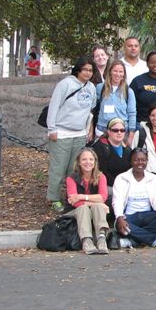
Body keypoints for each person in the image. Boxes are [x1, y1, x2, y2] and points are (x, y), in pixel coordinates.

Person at [46, 57, 97, 212]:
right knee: (58, 168)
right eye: (85, 70)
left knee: (74, 169)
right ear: (78, 70)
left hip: (79, 133)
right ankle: (53, 198)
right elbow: (54, 106)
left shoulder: (91, 87)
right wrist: (52, 129)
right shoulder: (66, 84)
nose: (88, 73)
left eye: (90, 70)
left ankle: (71, 196)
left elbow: (89, 110)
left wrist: (89, 129)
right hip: (62, 132)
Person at [112, 148, 156, 248]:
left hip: (148, 215)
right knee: (119, 225)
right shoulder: (121, 178)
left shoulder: (153, 178)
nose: (140, 163)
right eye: (136, 160)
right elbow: (117, 201)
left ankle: (133, 241)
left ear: (147, 161)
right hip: (129, 217)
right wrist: (119, 217)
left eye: (143, 160)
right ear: (131, 161)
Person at [64, 147, 111, 254]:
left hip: (94, 212)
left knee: (97, 206)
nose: (88, 162)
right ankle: (87, 241)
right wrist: (98, 203)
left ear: (95, 162)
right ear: (79, 162)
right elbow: (74, 202)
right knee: (84, 208)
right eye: (84, 159)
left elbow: (102, 197)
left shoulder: (101, 177)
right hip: (74, 212)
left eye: (91, 159)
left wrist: (82, 196)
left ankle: (101, 239)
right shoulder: (71, 178)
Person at [94, 60, 137, 145]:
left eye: (120, 71)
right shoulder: (100, 88)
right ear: (110, 72)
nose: (118, 74)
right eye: (115, 71)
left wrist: (131, 135)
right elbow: (94, 109)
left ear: (124, 74)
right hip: (102, 130)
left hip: (120, 132)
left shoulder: (128, 91)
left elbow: (132, 113)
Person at [92, 117, 132, 193]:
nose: (119, 133)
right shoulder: (100, 147)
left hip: (124, 185)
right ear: (109, 131)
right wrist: (118, 186)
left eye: (122, 130)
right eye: (115, 130)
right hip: (106, 186)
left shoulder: (128, 149)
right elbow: (102, 171)